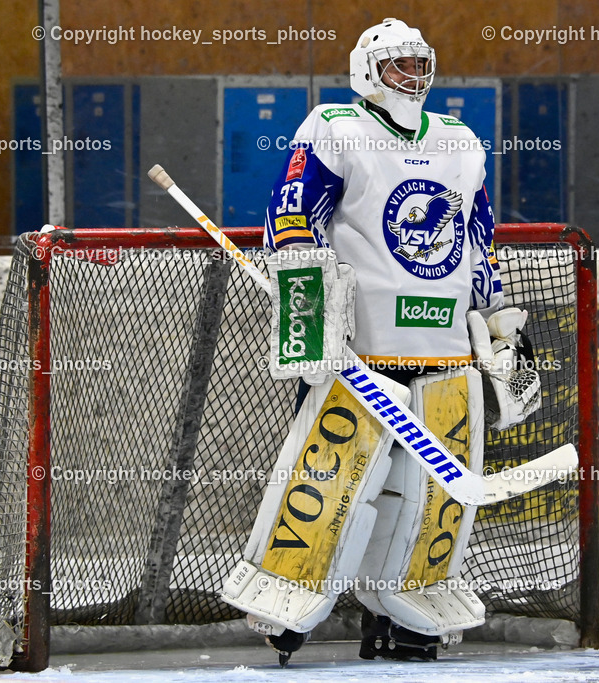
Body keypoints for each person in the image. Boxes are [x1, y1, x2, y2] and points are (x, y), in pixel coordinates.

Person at [220, 17, 540, 666]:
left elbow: (479, 242)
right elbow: (291, 220)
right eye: (398, 65)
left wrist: (498, 323)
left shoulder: (459, 142)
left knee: (433, 493)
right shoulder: (334, 128)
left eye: (420, 63)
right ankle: (290, 594)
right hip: (360, 348)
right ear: (366, 71)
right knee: (335, 480)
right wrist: (310, 319)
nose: (412, 76)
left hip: (446, 347)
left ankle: (408, 606)